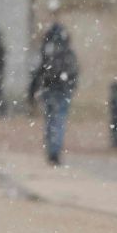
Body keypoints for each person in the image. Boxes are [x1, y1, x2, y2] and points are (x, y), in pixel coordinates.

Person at [27, 23, 80, 165]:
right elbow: (74, 71)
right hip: (62, 90)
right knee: (59, 120)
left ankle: (51, 149)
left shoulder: (46, 51)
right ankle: (55, 150)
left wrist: (32, 92)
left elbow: (37, 72)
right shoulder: (67, 52)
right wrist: (71, 86)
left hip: (49, 90)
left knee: (50, 120)